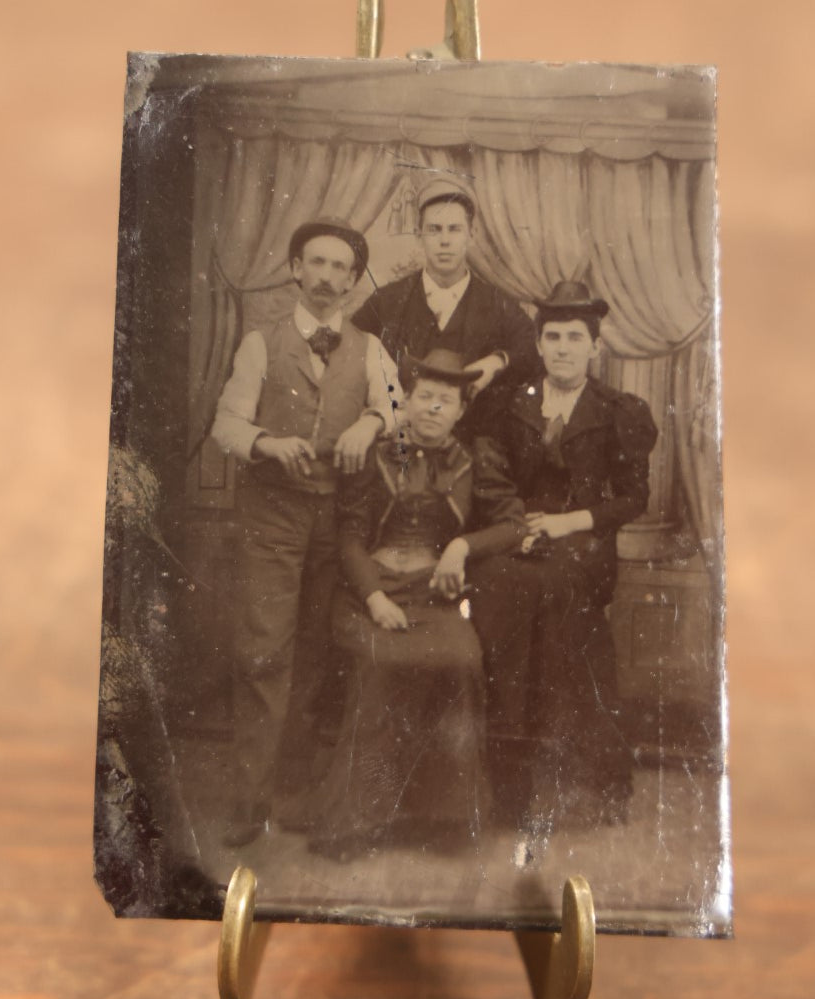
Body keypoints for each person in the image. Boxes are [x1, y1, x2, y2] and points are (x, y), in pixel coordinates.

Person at [211, 217, 402, 845]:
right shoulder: (260, 345)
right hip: (272, 519)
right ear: (296, 270)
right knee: (265, 651)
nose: (326, 278)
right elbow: (227, 426)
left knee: (317, 657)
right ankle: (247, 802)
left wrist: (371, 422)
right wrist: (267, 442)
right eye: (315, 264)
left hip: (332, 522)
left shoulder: (370, 349)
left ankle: (291, 795)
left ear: (352, 281)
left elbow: (398, 409)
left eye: (339, 268)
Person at [318, 349, 526, 858]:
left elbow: (513, 524)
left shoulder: (474, 462)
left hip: (433, 597)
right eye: (425, 397)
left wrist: (462, 547)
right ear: (405, 402)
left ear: (460, 411)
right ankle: (356, 822)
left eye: (446, 401)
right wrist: (374, 598)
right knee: (383, 661)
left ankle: (444, 819)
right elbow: (348, 539)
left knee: (461, 660)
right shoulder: (377, 456)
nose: (434, 408)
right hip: (369, 593)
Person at [470, 280, 659, 840]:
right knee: (497, 597)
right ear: (539, 342)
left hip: (582, 549)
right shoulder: (512, 403)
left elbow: (632, 499)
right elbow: (493, 480)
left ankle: (593, 783)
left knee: (559, 621)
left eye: (575, 337)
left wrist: (566, 524)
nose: (562, 348)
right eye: (552, 336)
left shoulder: (618, 411)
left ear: (594, 347)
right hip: (518, 539)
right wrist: (519, 528)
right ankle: (509, 789)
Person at [350, 176, 537, 436]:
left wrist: (497, 361)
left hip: (474, 450)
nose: (444, 240)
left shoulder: (498, 304)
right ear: (419, 236)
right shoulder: (388, 300)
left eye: (454, 229)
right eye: (434, 229)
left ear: (471, 236)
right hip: (399, 447)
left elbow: (533, 347)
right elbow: (349, 347)